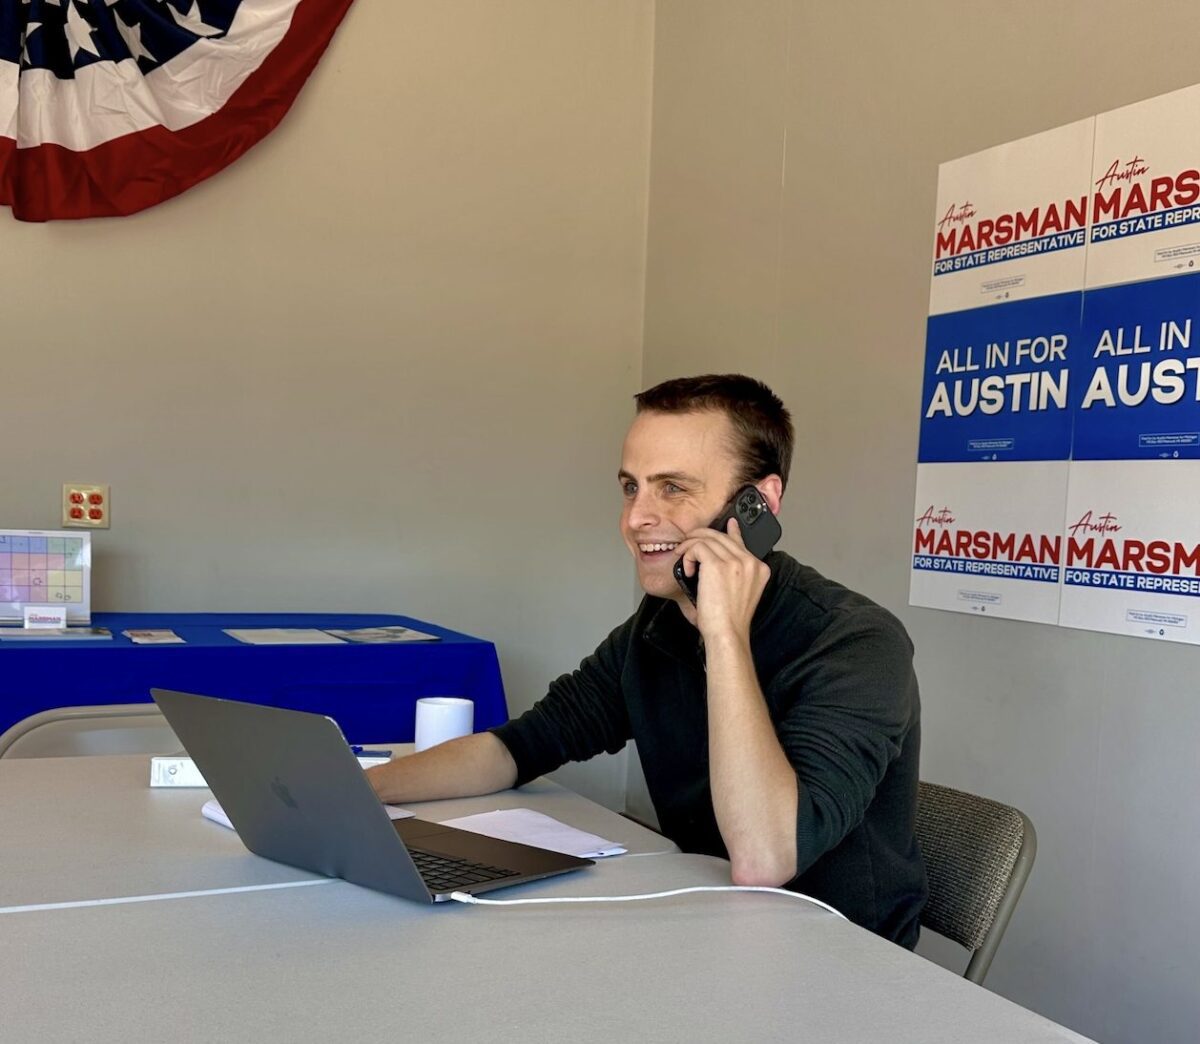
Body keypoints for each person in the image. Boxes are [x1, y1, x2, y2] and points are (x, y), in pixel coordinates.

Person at [367, 373, 927, 947]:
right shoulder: (659, 623)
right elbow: (517, 748)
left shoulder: (856, 642)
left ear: (760, 502)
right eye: (631, 487)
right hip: (711, 930)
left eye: (673, 488)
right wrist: (362, 794)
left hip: (840, 958)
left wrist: (724, 635)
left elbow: (765, 858)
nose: (636, 518)